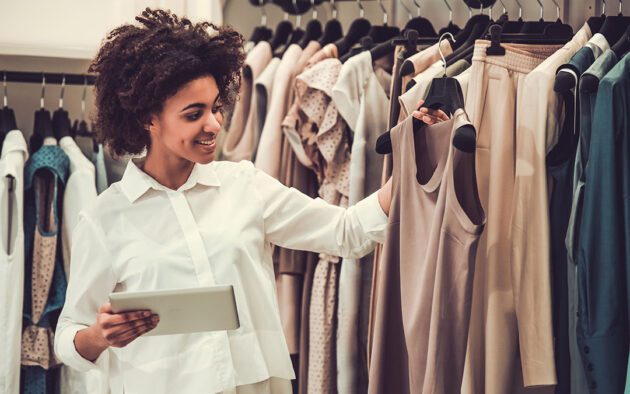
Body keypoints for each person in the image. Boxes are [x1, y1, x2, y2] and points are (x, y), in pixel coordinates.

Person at [54, 8, 447, 394]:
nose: (214, 124)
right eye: (194, 114)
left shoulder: (244, 186)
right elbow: (68, 335)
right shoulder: (106, 218)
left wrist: (413, 157)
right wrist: (98, 336)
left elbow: (346, 232)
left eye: (216, 108)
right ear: (147, 119)